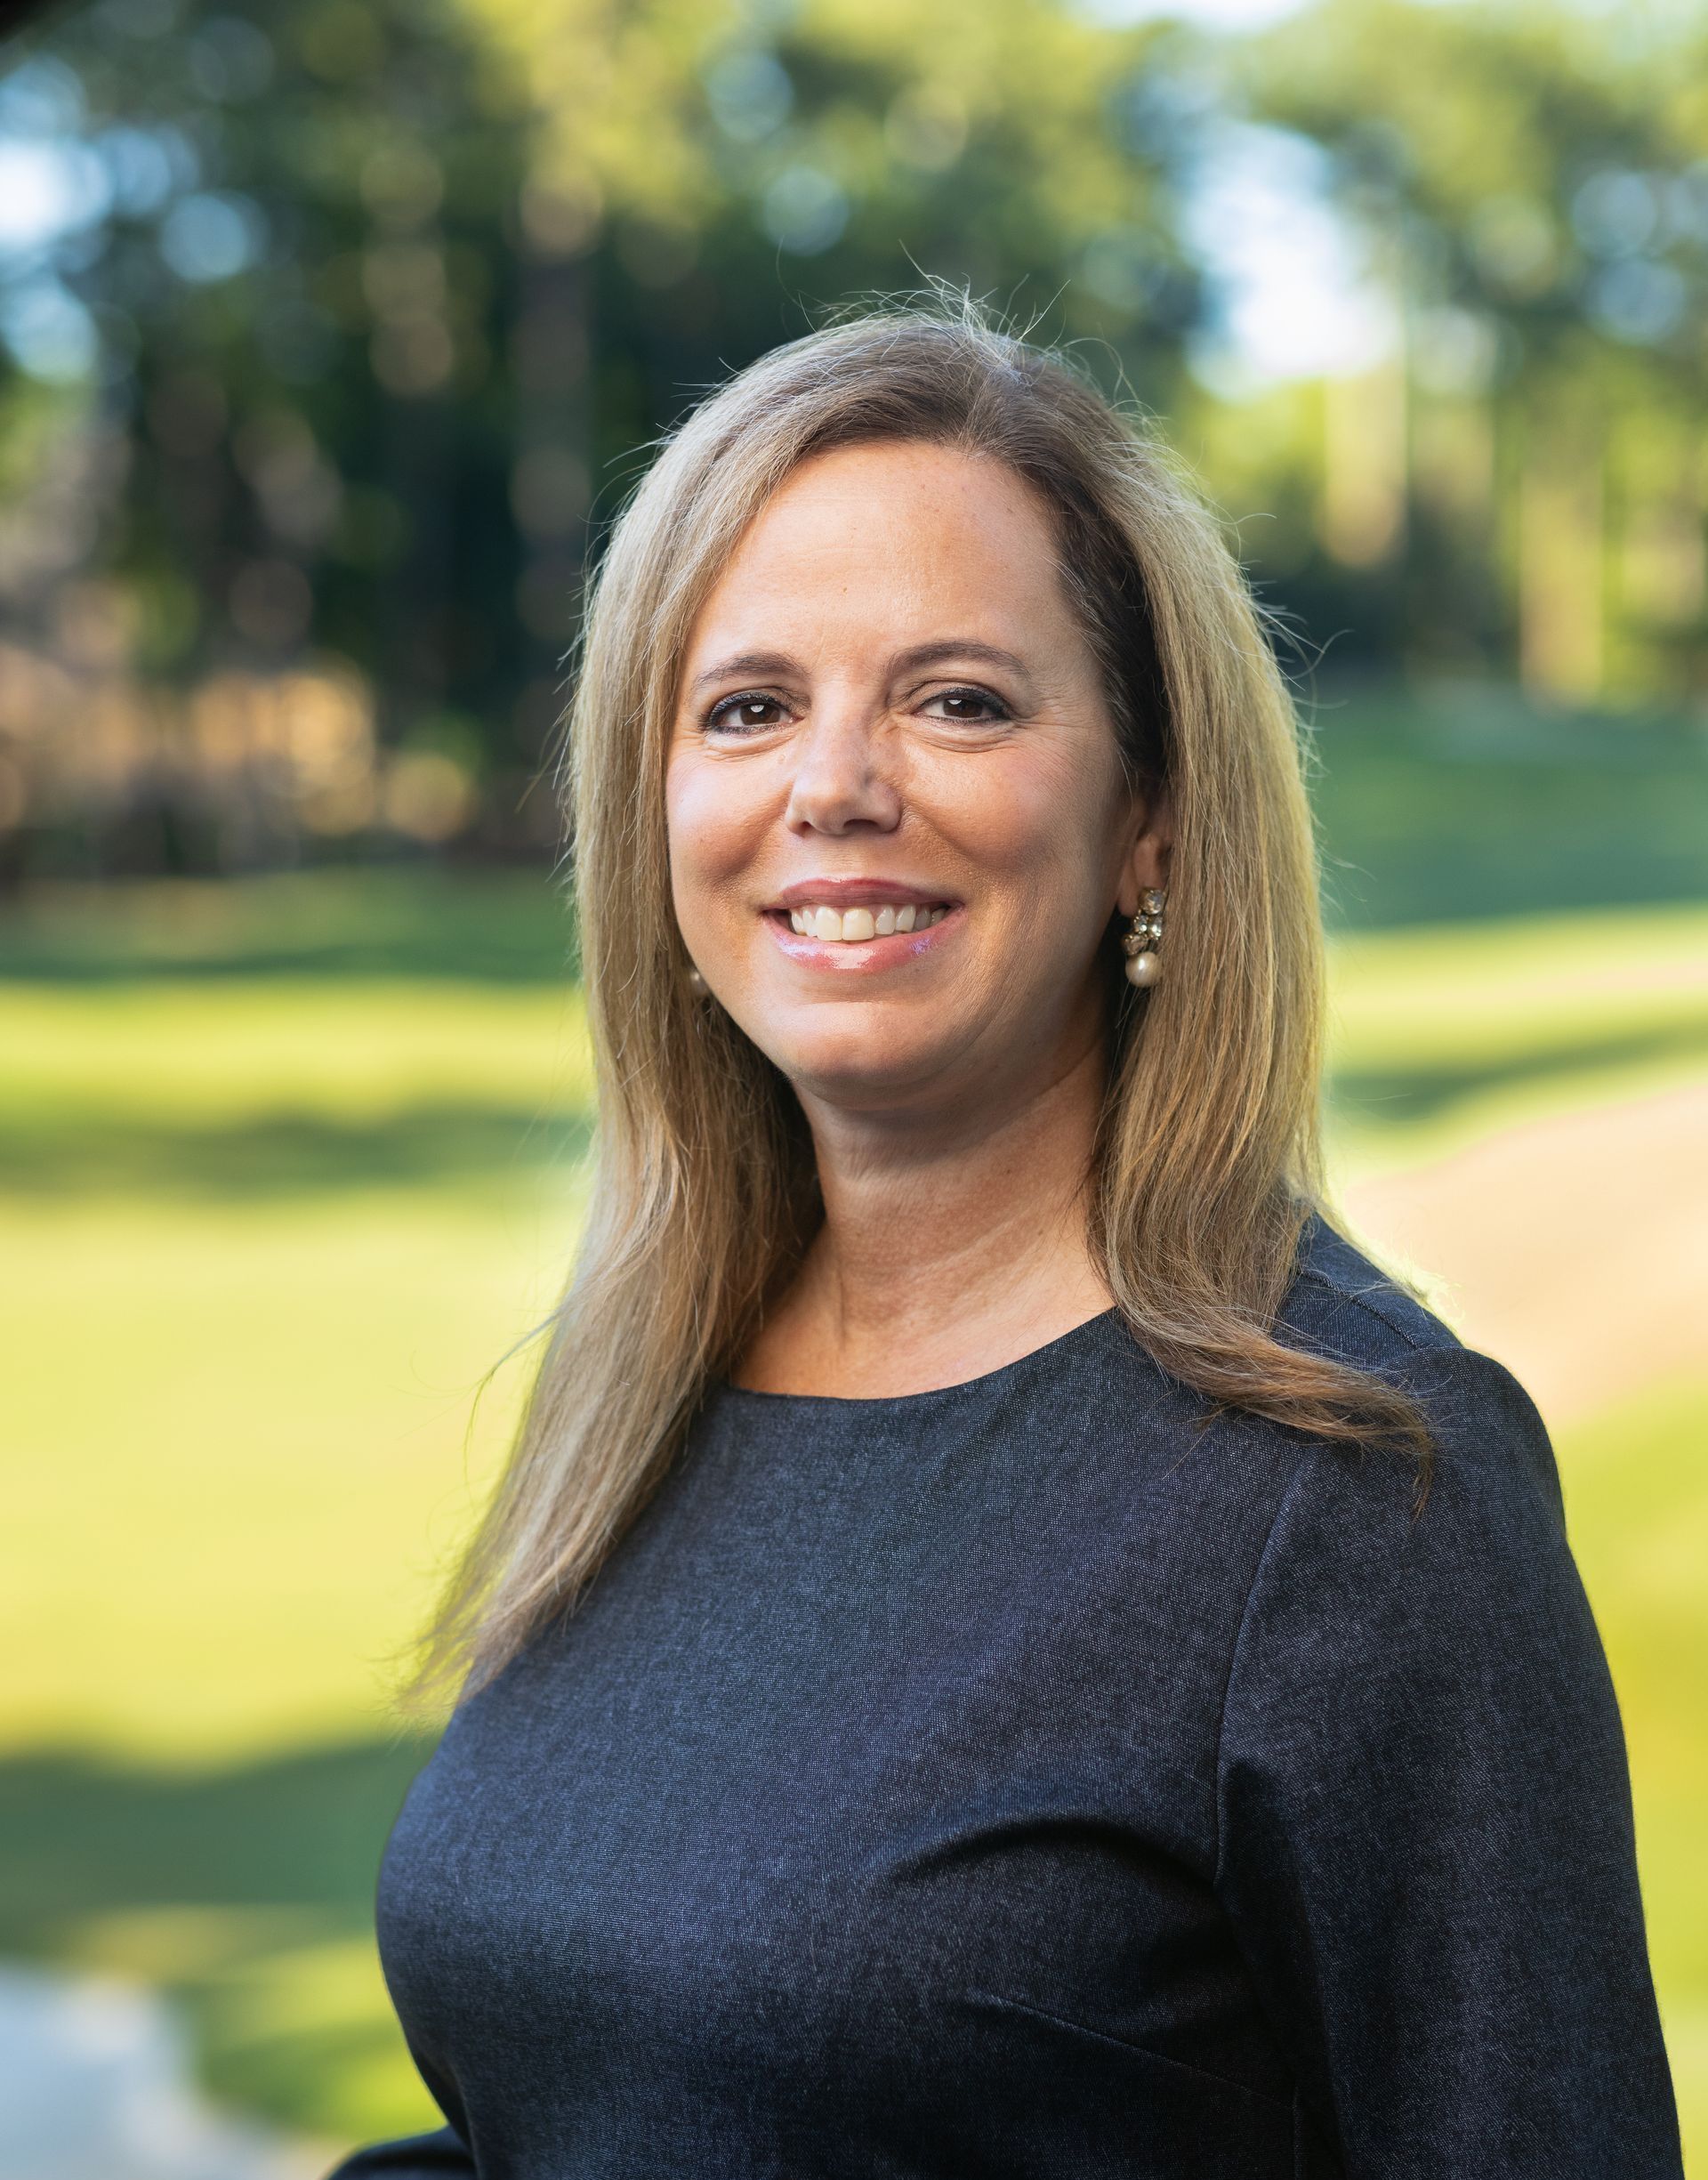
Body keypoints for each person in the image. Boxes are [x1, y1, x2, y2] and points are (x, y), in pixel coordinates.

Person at [326, 304, 1683, 2178]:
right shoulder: (650, 1385)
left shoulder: (1352, 1489)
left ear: (1150, 819)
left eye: (957, 697)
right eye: (746, 706)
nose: (835, 785)